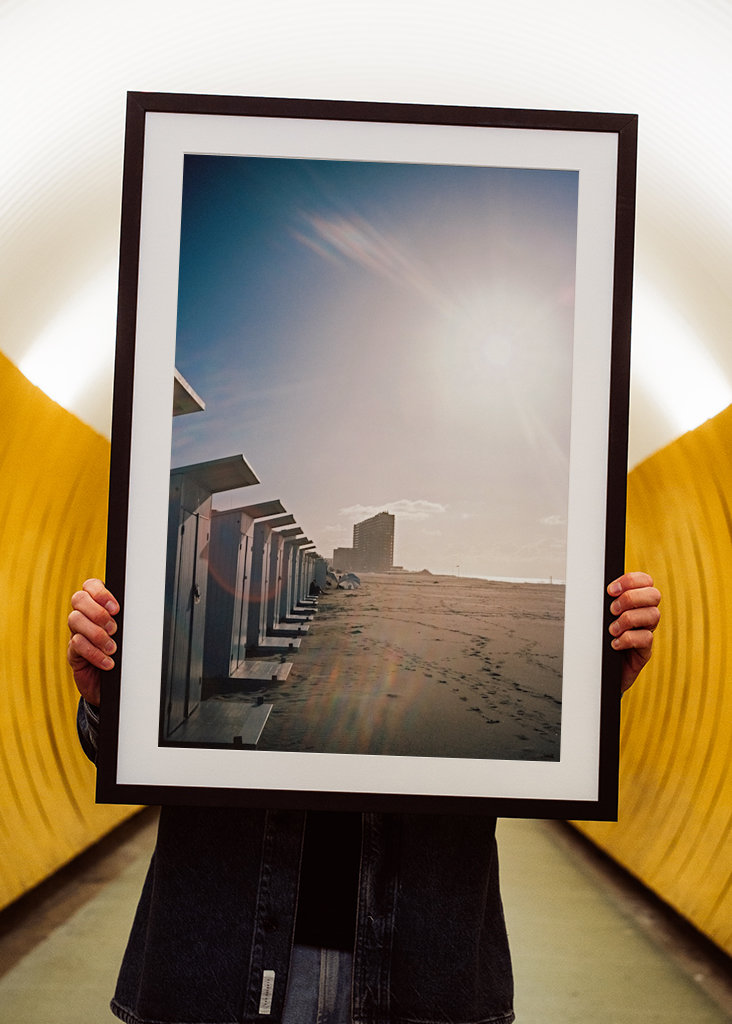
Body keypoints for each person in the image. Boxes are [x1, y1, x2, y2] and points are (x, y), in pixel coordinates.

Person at [68, 572, 661, 1024]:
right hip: (218, 961)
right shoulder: (161, 591)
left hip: (422, 970)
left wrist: (589, 695)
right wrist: (108, 703)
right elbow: (117, 752)